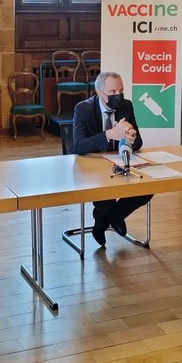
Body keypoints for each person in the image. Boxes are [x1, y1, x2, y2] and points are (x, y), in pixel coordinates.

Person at [71, 71, 152, 247]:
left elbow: (138, 142)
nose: (118, 96)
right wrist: (110, 134)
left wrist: (131, 136)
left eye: (121, 91)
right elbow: (78, 146)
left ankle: (107, 218)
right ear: (100, 93)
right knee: (105, 197)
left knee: (148, 186)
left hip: (119, 162)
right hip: (93, 167)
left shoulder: (126, 106)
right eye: (113, 92)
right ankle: (108, 217)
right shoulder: (83, 109)